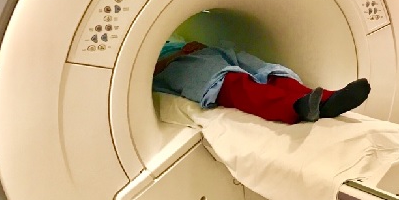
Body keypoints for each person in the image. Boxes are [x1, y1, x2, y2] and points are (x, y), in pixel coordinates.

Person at [152, 40, 370, 124]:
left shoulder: (171, 37)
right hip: (174, 64)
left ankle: (324, 101)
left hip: (206, 51)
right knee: (226, 80)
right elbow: (145, 71)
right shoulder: (148, 49)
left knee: (265, 71)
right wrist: (178, 53)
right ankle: (294, 108)